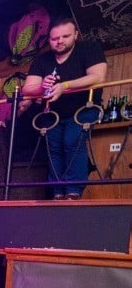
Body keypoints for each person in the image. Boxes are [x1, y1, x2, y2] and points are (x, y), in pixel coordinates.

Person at [23, 17, 107, 200]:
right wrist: (42, 86)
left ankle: (73, 191)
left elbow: (98, 77)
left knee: (72, 141)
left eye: (65, 36)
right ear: (49, 39)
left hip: (83, 108)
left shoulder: (89, 49)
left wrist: (65, 86)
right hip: (52, 113)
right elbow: (27, 89)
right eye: (55, 38)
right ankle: (57, 192)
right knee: (53, 148)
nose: (60, 41)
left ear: (76, 35)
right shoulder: (43, 59)